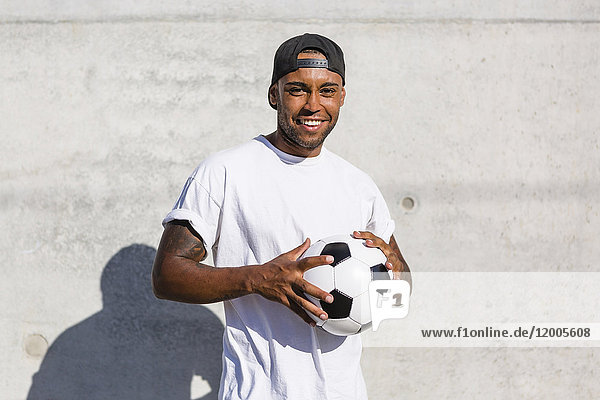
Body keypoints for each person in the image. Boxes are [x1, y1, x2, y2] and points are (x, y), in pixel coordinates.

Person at [152, 33, 411, 400]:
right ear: (274, 94)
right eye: (298, 90)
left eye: (327, 91)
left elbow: (398, 295)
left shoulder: (359, 185)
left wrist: (397, 274)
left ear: (342, 97)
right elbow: (166, 276)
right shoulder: (225, 171)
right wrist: (257, 279)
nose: (313, 105)